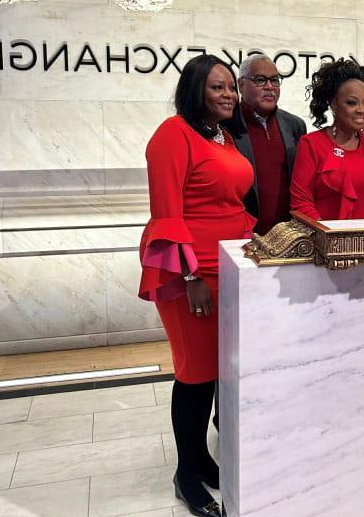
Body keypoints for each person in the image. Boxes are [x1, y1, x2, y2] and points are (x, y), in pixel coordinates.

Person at [138, 54, 254, 517]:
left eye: (231, 87)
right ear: (194, 91)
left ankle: (202, 460)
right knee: (193, 374)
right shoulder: (173, 134)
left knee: (215, 374)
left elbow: (229, 201)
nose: (228, 95)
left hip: (229, 269)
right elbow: (167, 211)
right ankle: (186, 476)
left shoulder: (222, 135)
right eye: (217, 88)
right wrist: (191, 278)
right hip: (192, 276)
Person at [290, 59, 364, 220]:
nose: (361, 110)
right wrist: (329, 238)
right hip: (326, 241)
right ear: (333, 105)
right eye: (352, 103)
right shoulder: (311, 144)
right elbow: (301, 203)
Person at [235, 54, 307, 234]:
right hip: (241, 234)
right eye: (260, 80)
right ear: (241, 84)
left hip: (287, 237)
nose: (269, 87)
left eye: (275, 80)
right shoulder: (226, 124)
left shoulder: (295, 125)